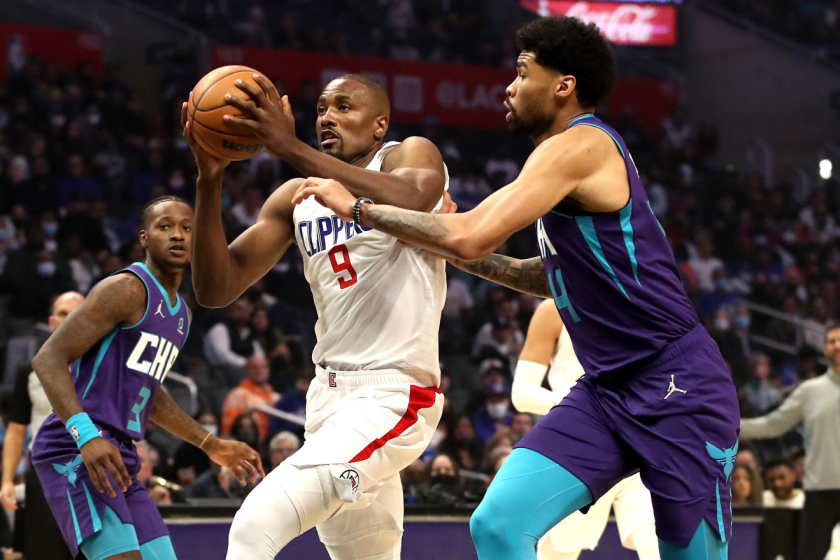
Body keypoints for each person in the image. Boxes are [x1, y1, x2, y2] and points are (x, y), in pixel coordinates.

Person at [296, 16, 740, 560]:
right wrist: (454, 244)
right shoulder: (556, 160)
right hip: (606, 389)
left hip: (677, 385)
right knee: (499, 524)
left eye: (522, 72)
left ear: (564, 85)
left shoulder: (581, 145)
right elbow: (541, 272)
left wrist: (361, 208)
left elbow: (472, 235)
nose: (508, 86)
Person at [183, 71, 449, 559]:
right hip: (327, 400)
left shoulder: (408, 154)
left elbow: (416, 198)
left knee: (253, 527)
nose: (329, 117)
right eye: (323, 109)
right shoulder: (295, 197)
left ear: (378, 125)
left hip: (392, 395)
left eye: (345, 107)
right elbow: (215, 288)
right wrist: (210, 177)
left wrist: (292, 148)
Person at [29, 196, 263, 560]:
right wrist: (86, 436)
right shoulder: (125, 289)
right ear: (144, 237)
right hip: (76, 445)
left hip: (121, 453)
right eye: (164, 226)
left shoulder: (181, 315)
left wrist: (210, 444)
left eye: (186, 228)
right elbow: (48, 359)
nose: (178, 235)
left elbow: (150, 394)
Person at [514, 299, 659, 560]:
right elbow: (521, 394)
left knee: (659, 548)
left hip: (641, 440)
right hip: (580, 445)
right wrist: (580, 407)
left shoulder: (643, 299)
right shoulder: (554, 309)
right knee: (559, 554)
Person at [740, 323, 840, 560]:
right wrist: (725, 427)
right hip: (819, 489)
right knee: (809, 555)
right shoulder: (810, 391)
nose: (837, 346)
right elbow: (772, 425)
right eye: (831, 341)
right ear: (824, 349)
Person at [1, 291, 84, 560]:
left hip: (93, 473)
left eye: (77, 312)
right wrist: (7, 480)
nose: (69, 318)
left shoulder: (103, 369)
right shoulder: (30, 371)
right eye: (62, 313)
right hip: (45, 474)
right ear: (51, 322)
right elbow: (16, 429)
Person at [221, 355, 280, 439]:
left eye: (263, 367)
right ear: (247, 369)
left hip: (273, 442)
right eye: (254, 367)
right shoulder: (237, 394)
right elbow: (229, 427)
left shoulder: (277, 397)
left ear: (268, 370)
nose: (259, 370)